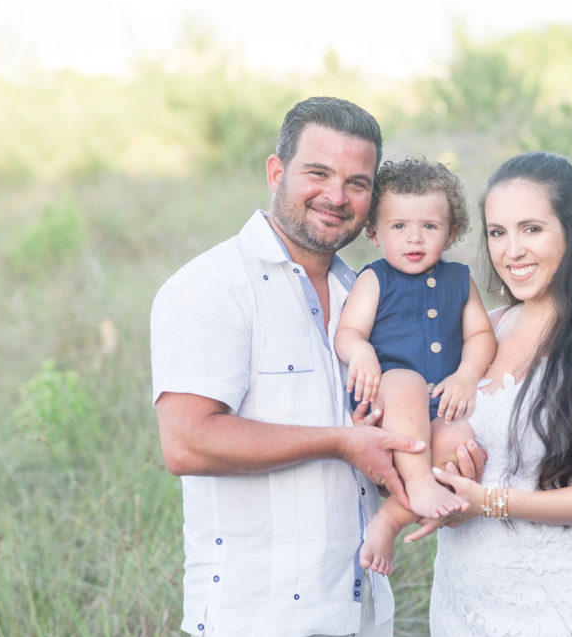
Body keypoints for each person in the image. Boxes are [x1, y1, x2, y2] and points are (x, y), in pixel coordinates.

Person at [150, 97, 436, 637]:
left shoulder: (366, 295)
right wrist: (338, 442)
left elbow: (380, 443)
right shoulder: (211, 287)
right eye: (318, 173)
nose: (336, 196)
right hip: (256, 617)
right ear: (276, 172)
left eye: (357, 182)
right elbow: (186, 442)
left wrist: (435, 449)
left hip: (362, 614)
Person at [407, 151, 572, 636]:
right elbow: (442, 443)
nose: (511, 251)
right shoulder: (483, 330)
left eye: (532, 229)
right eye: (497, 232)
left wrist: (493, 502)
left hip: (571, 603)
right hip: (466, 600)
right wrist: (446, 490)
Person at [334, 157, 496, 575]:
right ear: (374, 232)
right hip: (388, 399)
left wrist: (466, 375)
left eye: (429, 226)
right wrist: (363, 353)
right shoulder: (376, 279)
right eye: (399, 226)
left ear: (452, 231)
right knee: (406, 380)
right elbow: (348, 333)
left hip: (435, 408)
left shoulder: (460, 280)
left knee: (461, 438)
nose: (414, 238)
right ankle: (419, 483)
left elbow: (481, 336)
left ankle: (390, 518)